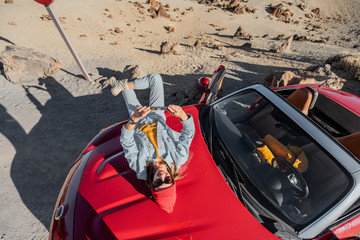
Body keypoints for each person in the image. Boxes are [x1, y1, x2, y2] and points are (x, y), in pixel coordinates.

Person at [110, 74, 195, 213]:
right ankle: (120, 85)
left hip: (138, 120)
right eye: (167, 180)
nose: (162, 176)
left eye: (158, 182)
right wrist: (182, 116)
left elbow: (126, 141)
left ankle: (120, 84)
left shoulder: (140, 169)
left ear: (151, 183)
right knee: (155, 78)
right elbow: (189, 132)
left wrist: (134, 119)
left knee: (126, 89)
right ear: (173, 180)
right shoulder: (179, 157)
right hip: (158, 116)